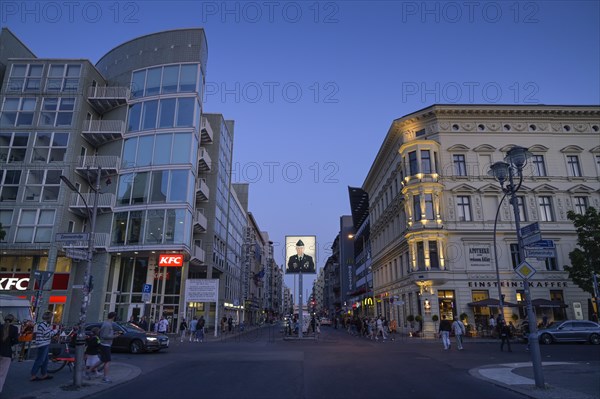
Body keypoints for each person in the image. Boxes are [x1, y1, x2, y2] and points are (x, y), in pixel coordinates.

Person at [30, 311, 58, 381]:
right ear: (49, 318)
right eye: (51, 317)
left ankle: (44, 374)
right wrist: (55, 331)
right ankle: (33, 375)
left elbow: (46, 334)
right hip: (43, 344)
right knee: (40, 360)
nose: (52, 319)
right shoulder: (43, 325)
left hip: (44, 343)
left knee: (45, 360)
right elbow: (47, 334)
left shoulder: (44, 325)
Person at [92, 311, 116, 383]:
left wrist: (113, 334)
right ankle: (105, 378)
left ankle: (88, 371)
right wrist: (114, 336)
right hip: (106, 345)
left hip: (105, 344)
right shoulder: (107, 324)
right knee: (107, 361)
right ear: (113, 317)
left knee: (102, 360)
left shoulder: (107, 324)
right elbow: (104, 336)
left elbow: (105, 334)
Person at [0, 314, 19, 393]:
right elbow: (15, 342)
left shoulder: (0, 326)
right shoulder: (14, 329)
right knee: (2, 375)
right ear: (13, 320)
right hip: (6, 353)